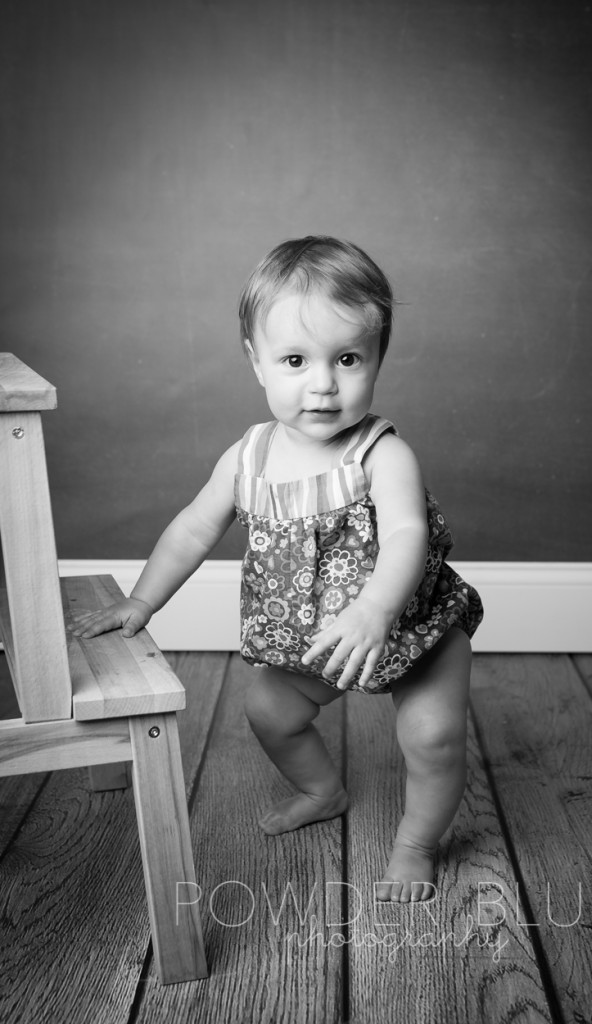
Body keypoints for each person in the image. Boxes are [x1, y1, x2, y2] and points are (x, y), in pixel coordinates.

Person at [71, 236, 483, 903]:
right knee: (268, 710)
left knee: (433, 737)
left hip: (411, 627)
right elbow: (193, 527)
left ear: (378, 357)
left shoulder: (382, 453)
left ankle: (415, 843)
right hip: (310, 641)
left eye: (348, 358)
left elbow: (406, 532)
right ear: (256, 362)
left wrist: (376, 607)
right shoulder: (249, 457)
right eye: (295, 360)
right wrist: (143, 601)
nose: (322, 384)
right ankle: (322, 789)